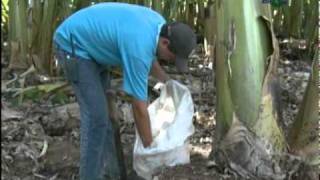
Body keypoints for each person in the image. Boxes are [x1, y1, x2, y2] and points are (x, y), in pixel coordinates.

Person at [53, 2, 196, 180]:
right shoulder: (139, 47)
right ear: (165, 43)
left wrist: (168, 83)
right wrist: (150, 149)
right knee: (97, 117)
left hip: (94, 47)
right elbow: (138, 108)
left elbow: (151, 60)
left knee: (107, 116)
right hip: (74, 46)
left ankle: (113, 174)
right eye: (172, 58)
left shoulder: (159, 26)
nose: (171, 61)